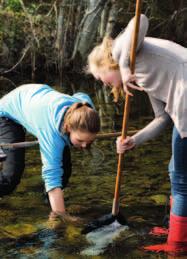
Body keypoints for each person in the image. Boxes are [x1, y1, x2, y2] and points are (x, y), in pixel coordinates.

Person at [87, 14, 187, 255]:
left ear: (108, 64)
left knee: (181, 182)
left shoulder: (124, 52)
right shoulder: (140, 74)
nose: (106, 84)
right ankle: (177, 226)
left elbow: (140, 19)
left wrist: (123, 66)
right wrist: (134, 140)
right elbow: (162, 118)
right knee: (175, 170)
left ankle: (176, 245)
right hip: (181, 109)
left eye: (102, 78)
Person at [0, 84, 100, 221]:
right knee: (11, 177)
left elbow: (82, 94)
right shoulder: (51, 133)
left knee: (64, 171)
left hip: (35, 98)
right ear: (69, 127)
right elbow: (51, 175)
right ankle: (55, 209)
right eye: (81, 140)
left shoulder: (86, 110)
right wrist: (62, 216)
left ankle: (49, 201)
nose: (84, 145)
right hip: (7, 113)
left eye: (89, 141)